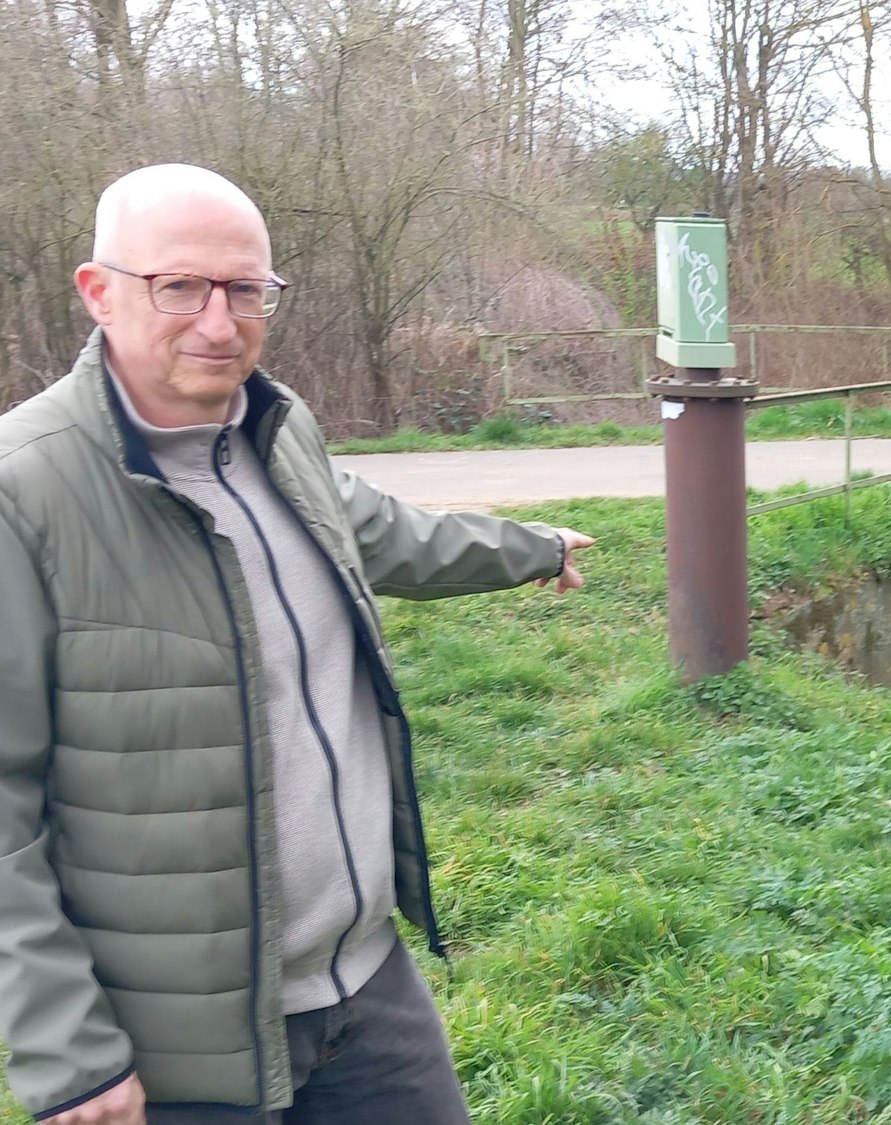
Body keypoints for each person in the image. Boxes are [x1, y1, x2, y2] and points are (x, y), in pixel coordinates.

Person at [0, 163, 596, 1123]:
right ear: (98, 290)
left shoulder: (278, 431)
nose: (219, 322)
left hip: (365, 986)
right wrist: (67, 1044)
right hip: (180, 1039)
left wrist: (525, 550)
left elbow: (375, 526)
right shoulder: (24, 492)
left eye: (246, 289)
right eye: (179, 286)